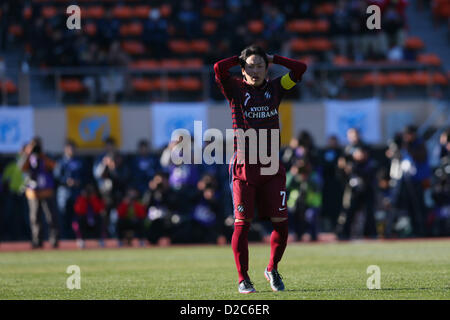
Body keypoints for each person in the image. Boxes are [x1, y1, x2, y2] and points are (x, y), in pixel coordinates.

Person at [214, 44, 307, 293]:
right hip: (244, 166)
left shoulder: (276, 88)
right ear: (243, 70)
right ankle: (243, 278)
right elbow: (218, 68)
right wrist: (241, 57)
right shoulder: (234, 88)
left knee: (282, 225)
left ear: (267, 69)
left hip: (271, 165)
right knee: (242, 225)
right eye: (250, 66)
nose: (255, 71)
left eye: (260, 66)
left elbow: (300, 69)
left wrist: (274, 57)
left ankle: (272, 268)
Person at [20, 137, 59, 249]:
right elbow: (21, 168)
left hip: (46, 191)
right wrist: (27, 154)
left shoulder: (46, 156)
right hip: (33, 193)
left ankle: (54, 239)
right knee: (35, 218)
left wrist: (42, 156)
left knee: (51, 217)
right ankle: (37, 240)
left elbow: (54, 165)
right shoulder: (29, 158)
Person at [54, 140, 86, 239]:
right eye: (69, 148)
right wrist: (66, 181)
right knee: (63, 217)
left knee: (76, 218)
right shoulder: (60, 162)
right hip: (63, 194)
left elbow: (85, 177)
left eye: (73, 148)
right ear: (65, 149)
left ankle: (76, 238)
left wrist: (78, 182)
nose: (71, 150)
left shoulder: (80, 161)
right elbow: (56, 177)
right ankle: (63, 238)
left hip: (76, 194)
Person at [73, 183, 105, 248]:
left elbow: (100, 208)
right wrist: (83, 199)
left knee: (101, 219)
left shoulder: (95, 198)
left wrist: (93, 199)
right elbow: (78, 210)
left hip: (94, 220)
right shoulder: (81, 199)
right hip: (84, 220)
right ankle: (81, 240)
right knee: (77, 221)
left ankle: (100, 239)